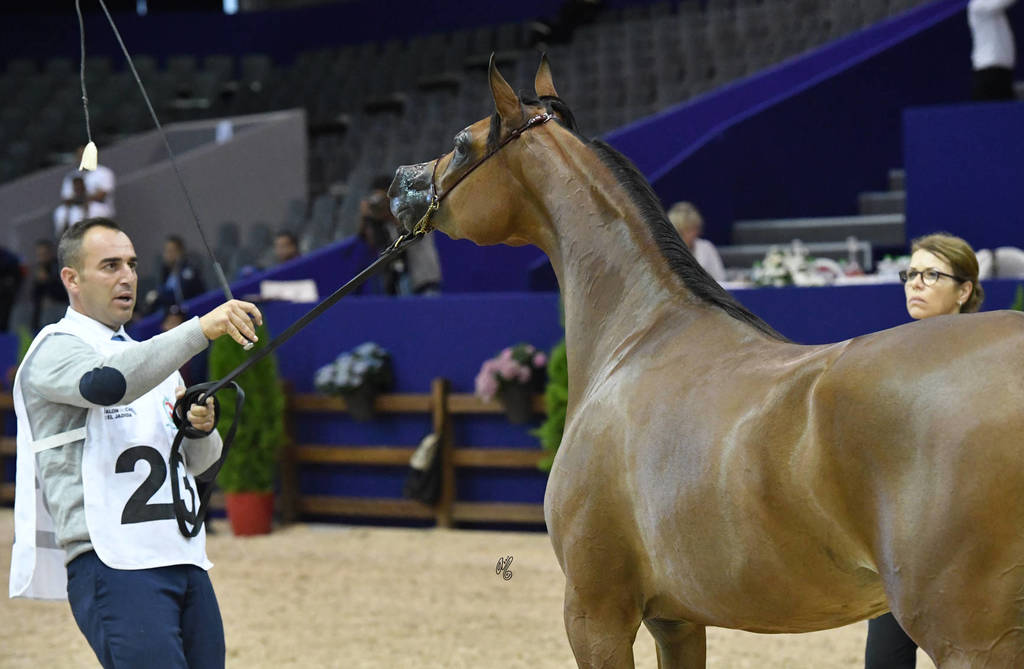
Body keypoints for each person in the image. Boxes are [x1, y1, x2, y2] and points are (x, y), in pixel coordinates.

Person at [9, 217, 262, 668]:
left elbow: (204, 469)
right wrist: (200, 329)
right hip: (113, 561)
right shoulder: (54, 348)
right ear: (72, 279)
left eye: (131, 264)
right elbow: (108, 384)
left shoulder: (151, 360)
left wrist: (200, 431)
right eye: (109, 265)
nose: (126, 276)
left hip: (182, 555)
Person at [864, 232, 982, 668]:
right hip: (901, 547)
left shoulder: (987, 357)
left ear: (964, 290)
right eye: (910, 274)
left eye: (931, 275)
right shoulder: (892, 354)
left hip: (968, 546)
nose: (916, 283)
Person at [53, 146, 116, 237]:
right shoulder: (72, 176)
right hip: (77, 206)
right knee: (61, 212)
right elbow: (66, 198)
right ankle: (69, 241)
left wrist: (84, 197)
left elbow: (102, 195)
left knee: (93, 210)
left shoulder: (103, 172)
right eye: (80, 156)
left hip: (98, 205)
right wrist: (80, 198)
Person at [143, 235, 207, 316]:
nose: (166, 255)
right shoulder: (166, 273)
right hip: (168, 315)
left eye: (170, 251)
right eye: (166, 251)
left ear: (180, 252)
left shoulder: (190, 270)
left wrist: (158, 295)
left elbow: (180, 296)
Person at [968, 0, 1018, 101]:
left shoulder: (997, 13)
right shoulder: (978, 5)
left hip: (1003, 73)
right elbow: (1000, 2)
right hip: (988, 73)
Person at [667, 201, 726, 283]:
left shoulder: (706, 247)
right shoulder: (665, 249)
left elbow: (720, 278)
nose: (692, 234)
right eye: (686, 230)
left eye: (694, 229)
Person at [31, 239, 68, 332]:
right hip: (42, 313)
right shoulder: (38, 269)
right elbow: (34, 295)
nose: (41, 257)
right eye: (39, 255)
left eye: (44, 254)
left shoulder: (60, 268)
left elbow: (64, 291)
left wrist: (48, 280)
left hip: (60, 310)